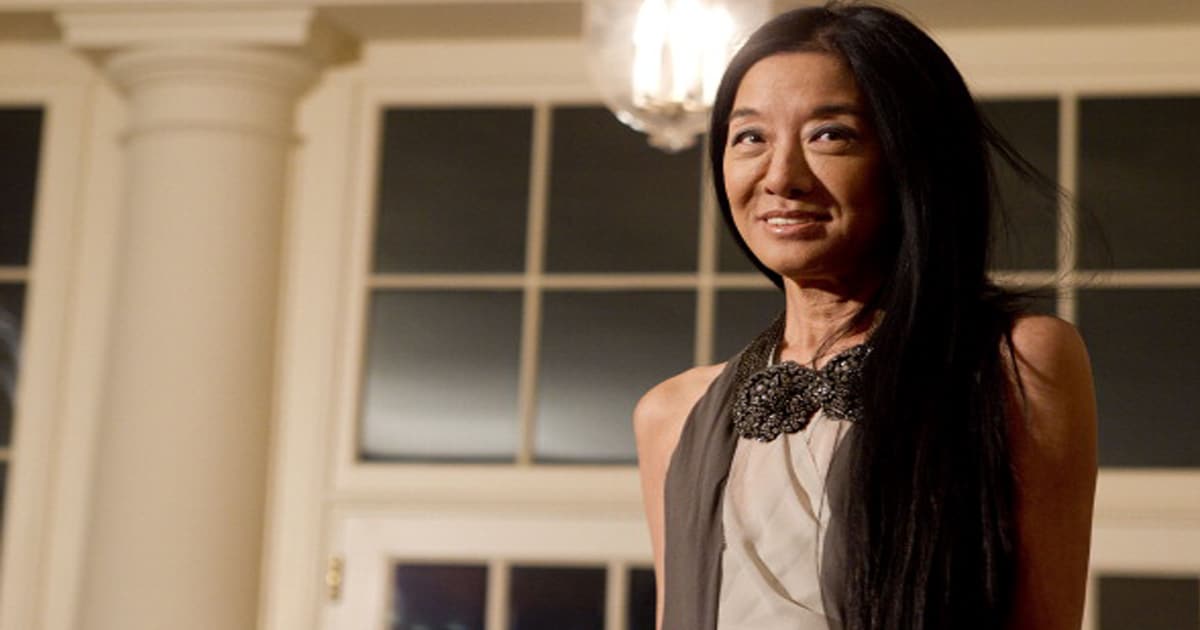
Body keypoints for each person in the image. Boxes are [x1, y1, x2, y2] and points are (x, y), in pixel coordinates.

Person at [633, 3, 1098, 629]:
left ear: (911, 159)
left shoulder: (1013, 363)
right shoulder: (672, 413)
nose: (781, 176)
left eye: (831, 135)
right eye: (750, 137)